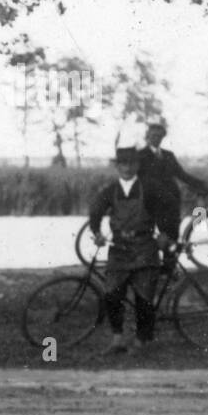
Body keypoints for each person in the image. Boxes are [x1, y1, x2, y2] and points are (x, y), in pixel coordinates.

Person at [89, 147, 167, 354]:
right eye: (122, 163)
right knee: (112, 295)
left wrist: (165, 233)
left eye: (131, 163)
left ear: (137, 166)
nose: (127, 167)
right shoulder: (109, 190)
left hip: (145, 247)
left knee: (144, 298)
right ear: (117, 166)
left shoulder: (150, 187)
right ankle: (117, 340)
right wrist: (96, 231)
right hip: (119, 249)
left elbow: (166, 211)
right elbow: (95, 212)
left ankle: (142, 341)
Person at [138, 120, 208, 248]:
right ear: (147, 136)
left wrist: (200, 184)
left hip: (171, 201)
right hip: (150, 202)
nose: (156, 138)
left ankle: (169, 265)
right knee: (147, 236)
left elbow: (181, 174)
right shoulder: (139, 156)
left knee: (172, 236)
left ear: (163, 137)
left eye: (159, 136)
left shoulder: (168, 155)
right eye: (153, 135)